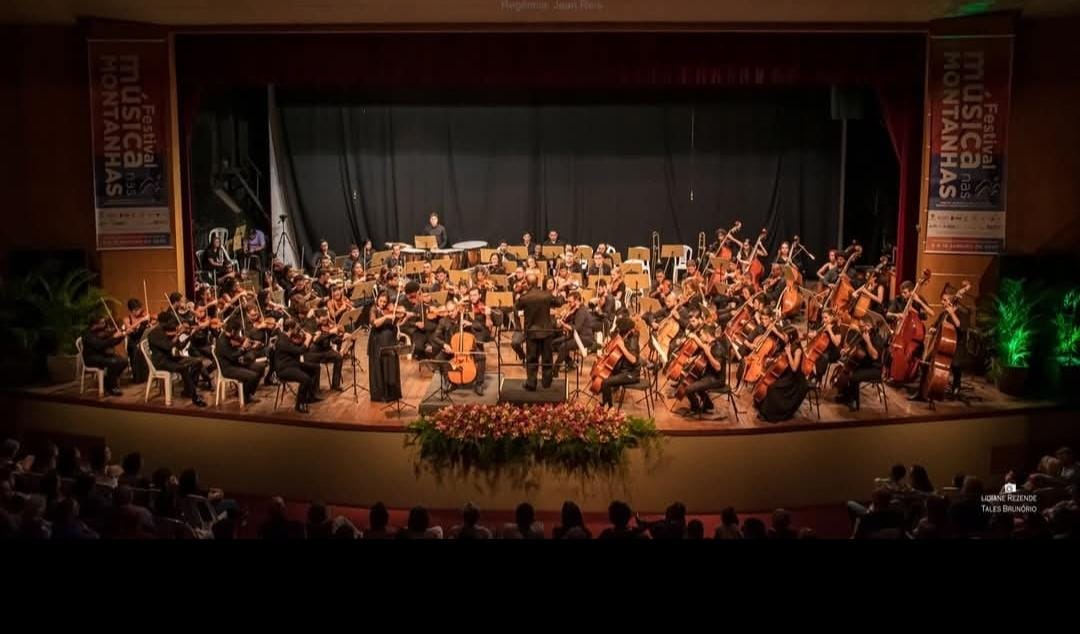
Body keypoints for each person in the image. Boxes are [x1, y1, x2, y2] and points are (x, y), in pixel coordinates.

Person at [514, 272, 565, 391]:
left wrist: (519, 291)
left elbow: (517, 306)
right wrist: (561, 294)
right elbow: (558, 303)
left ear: (527, 283)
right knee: (547, 358)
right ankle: (546, 383)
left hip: (531, 333)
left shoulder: (525, 297)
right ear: (537, 282)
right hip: (546, 331)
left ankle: (531, 383)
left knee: (532, 359)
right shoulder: (546, 295)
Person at [147, 315, 207, 407]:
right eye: (169, 323)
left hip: (169, 359)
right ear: (163, 323)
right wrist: (178, 334)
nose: (172, 325)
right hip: (161, 362)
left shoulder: (167, 331)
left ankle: (188, 390)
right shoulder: (155, 333)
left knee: (197, 362)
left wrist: (189, 336)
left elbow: (180, 347)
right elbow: (168, 346)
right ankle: (194, 396)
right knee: (183, 368)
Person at [755, 327, 809, 422]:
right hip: (787, 374)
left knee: (772, 388)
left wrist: (788, 354)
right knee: (770, 383)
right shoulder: (789, 345)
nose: (784, 337)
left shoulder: (798, 350)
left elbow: (794, 368)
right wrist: (772, 360)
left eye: (785, 336)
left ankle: (770, 414)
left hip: (795, 380)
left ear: (791, 336)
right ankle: (763, 406)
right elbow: (782, 359)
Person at [679, 326, 730, 416]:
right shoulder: (710, 344)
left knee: (688, 389)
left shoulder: (718, 348)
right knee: (687, 380)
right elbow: (703, 350)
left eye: (701, 335)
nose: (700, 336)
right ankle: (708, 405)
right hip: (708, 375)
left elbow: (718, 367)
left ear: (707, 335)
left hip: (716, 379)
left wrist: (708, 354)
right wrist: (692, 359)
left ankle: (696, 409)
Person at [274, 319, 321, 413]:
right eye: (296, 329)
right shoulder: (282, 341)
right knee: (305, 379)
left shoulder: (287, 337)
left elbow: (297, 347)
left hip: (293, 364)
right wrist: (307, 340)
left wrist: (310, 339)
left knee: (315, 368)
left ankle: (310, 396)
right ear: (291, 329)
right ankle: (299, 404)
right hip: (284, 368)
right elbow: (299, 351)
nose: (298, 331)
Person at [215, 325, 268, 403]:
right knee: (253, 376)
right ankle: (245, 396)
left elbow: (238, 350)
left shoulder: (229, 337)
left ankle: (246, 392)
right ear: (232, 331)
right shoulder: (222, 342)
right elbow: (232, 356)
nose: (238, 335)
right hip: (228, 368)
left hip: (236, 363)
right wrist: (243, 348)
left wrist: (251, 346)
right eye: (236, 332)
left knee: (260, 367)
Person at [367, 293, 403, 402]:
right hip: (378, 342)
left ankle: (392, 394)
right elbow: (375, 323)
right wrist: (386, 316)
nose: (382, 304)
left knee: (390, 365)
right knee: (379, 366)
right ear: (377, 300)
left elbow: (397, 321)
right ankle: (380, 394)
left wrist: (404, 315)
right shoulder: (374, 309)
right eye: (381, 301)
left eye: (384, 302)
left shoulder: (389, 309)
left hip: (390, 341)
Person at [598, 318, 641, 408]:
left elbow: (633, 360)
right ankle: (605, 403)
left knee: (606, 382)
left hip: (631, 374)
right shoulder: (622, 336)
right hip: (622, 369)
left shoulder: (633, 340)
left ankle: (610, 408)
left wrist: (622, 347)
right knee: (602, 376)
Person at [81, 317, 129, 397]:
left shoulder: (99, 333)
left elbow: (110, 342)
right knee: (113, 362)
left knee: (124, 361)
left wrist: (122, 335)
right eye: (102, 323)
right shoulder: (88, 335)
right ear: (95, 325)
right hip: (91, 358)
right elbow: (100, 345)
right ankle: (112, 386)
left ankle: (108, 380)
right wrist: (113, 337)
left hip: (101, 355)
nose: (105, 325)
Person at [553, 291, 595, 372]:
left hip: (584, 338)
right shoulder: (575, 309)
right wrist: (566, 314)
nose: (568, 304)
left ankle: (555, 369)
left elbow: (576, 328)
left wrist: (563, 324)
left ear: (577, 301)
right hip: (576, 336)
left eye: (570, 302)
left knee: (564, 346)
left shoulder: (581, 311)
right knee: (555, 343)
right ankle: (570, 363)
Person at [122, 299, 152, 383]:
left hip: (143, 340)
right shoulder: (126, 319)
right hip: (133, 342)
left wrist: (148, 323)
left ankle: (148, 374)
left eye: (140, 309)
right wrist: (141, 320)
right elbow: (129, 328)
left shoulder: (143, 315)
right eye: (138, 310)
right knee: (137, 350)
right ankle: (138, 377)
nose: (140, 311)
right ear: (132, 311)